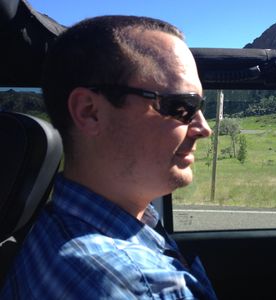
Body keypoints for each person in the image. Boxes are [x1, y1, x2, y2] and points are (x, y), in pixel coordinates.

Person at [0, 15, 217, 299]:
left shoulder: (52, 223)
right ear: (90, 111)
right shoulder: (132, 284)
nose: (204, 129)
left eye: (200, 105)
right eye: (181, 106)